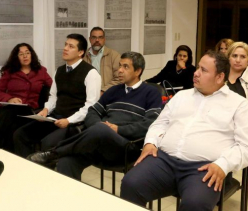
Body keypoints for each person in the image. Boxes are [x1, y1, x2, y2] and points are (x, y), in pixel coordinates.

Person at [120, 50, 248, 210]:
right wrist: (150, 142)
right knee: (130, 184)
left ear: (220, 77)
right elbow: (160, 124)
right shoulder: (182, 96)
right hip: (164, 160)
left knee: (195, 204)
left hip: (204, 168)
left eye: (203, 70)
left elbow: (247, 147)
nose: (196, 73)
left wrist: (223, 164)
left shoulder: (240, 106)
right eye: (198, 67)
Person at [27, 52, 162, 180]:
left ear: (138, 71)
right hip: (98, 142)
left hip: (126, 147)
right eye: (120, 65)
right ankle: (69, 199)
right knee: (66, 162)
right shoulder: (113, 90)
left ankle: (53, 153)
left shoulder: (151, 92)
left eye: (125, 67)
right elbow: (93, 111)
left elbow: (149, 124)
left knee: (101, 129)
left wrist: (117, 130)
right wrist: (99, 127)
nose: (120, 70)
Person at [13, 34, 101, 158]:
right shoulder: (59, 71)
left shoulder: (91, 73)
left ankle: (46, 172)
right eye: (65, 45)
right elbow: (53, 97)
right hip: (55, 118)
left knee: (47, 143)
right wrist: (45, 110)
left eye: (71, 46)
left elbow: (91, 106)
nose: (65, 48)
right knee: (20, 134)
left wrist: (69, 120)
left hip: (74, 123)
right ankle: (29, 170)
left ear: (81, 52)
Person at [0, 43, 52, 153]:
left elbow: (54, 88)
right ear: (16, 57)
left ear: (32, 55)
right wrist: (10, 99)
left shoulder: (41, 71)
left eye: (27, 53)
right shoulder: (9, 72)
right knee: (12, 113)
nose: (25, 56)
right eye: (21, 54)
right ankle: (9, 154)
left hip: (30, 111)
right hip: (8, 110)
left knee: (13, 122)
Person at [83, 27, 121, 95]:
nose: (97, 40)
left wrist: (103, 91)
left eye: (100, 37)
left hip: (107, 95)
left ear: (104, 39)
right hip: (87, 95)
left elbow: (119, 78)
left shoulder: (114, 56)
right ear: (90, 39)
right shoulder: (83, 56)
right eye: (94, 37)